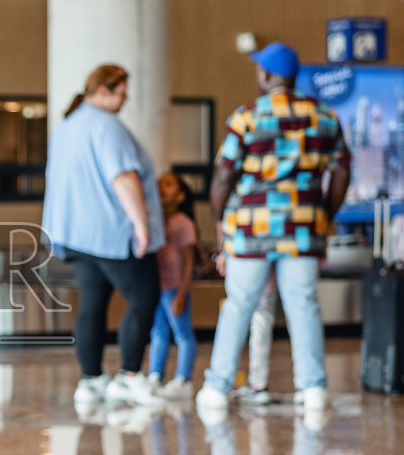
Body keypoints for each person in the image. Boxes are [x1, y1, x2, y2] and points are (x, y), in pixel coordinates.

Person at [196, 42, 350, 418]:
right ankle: (312, 388)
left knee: (238, 306)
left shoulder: (247, 117)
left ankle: (217, 387)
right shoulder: (325, 116)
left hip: (252, 230)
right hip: (303, 230)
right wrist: (323, 216)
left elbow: (222, 176)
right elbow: (342, 172)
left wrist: (219, 223)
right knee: (304, 306)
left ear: (265, 75)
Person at [40, 63, 166, 409]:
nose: (125, 99)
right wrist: (142, 224)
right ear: (104, 91)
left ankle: (91, 380)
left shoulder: (69, 125)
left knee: (92, 304)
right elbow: (123, 178)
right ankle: (128, 376)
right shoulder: (107, 127)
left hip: (77, 233)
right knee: (144, 296)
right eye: (122, 91)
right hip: (110, 231)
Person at [147, 172, 198, 399]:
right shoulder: (155, 221)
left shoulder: (183, 224)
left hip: (174, 289)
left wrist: (182, 293)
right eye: (159, 184)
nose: (161, 188)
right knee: (158, 333)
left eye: (168, 185)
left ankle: (183, 379)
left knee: (183, 334)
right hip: (156, 288)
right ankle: (154, 376)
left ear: (180, 196)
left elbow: (189, 261)